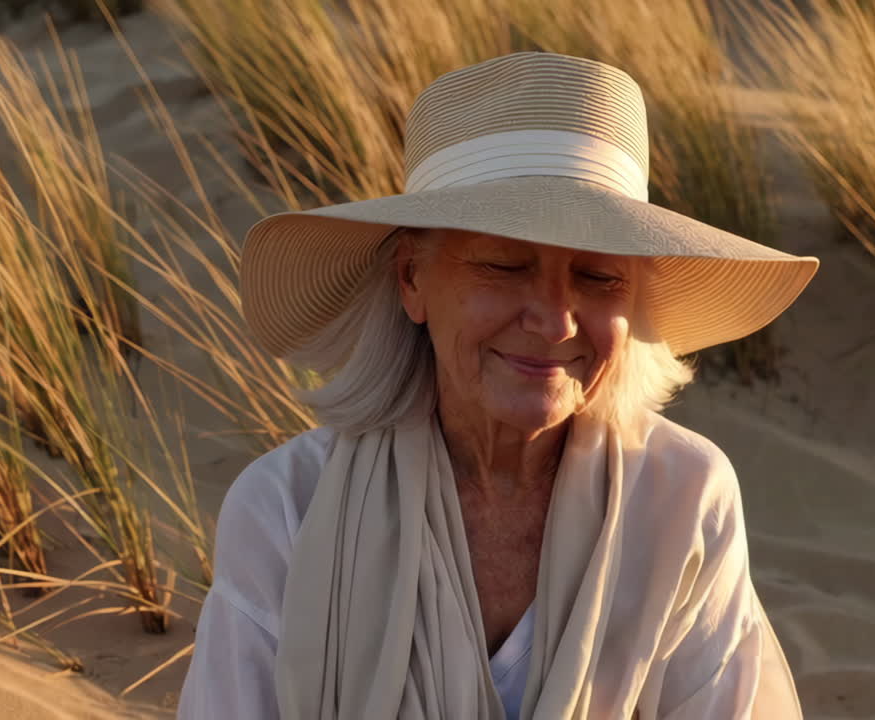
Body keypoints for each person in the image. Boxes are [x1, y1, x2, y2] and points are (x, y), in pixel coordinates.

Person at [177, 51, 818, 719]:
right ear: (412, 279)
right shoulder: (288, 509)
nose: (554, 319)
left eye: (599, 277)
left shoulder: (682, 498)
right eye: (505, 265)